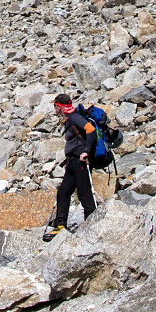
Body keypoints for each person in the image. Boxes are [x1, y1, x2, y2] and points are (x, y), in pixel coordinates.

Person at [43, 93, 97, 241]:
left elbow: (90, 129)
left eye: (55, 106)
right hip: (73, 161)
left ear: (59, 107)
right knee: (63, 192)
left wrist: (86, 152)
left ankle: (91, 226)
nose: (54, 109)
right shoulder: (70, 118)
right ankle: (60, 225)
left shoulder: (73, 117)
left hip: (81, 161)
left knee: (84, 194)